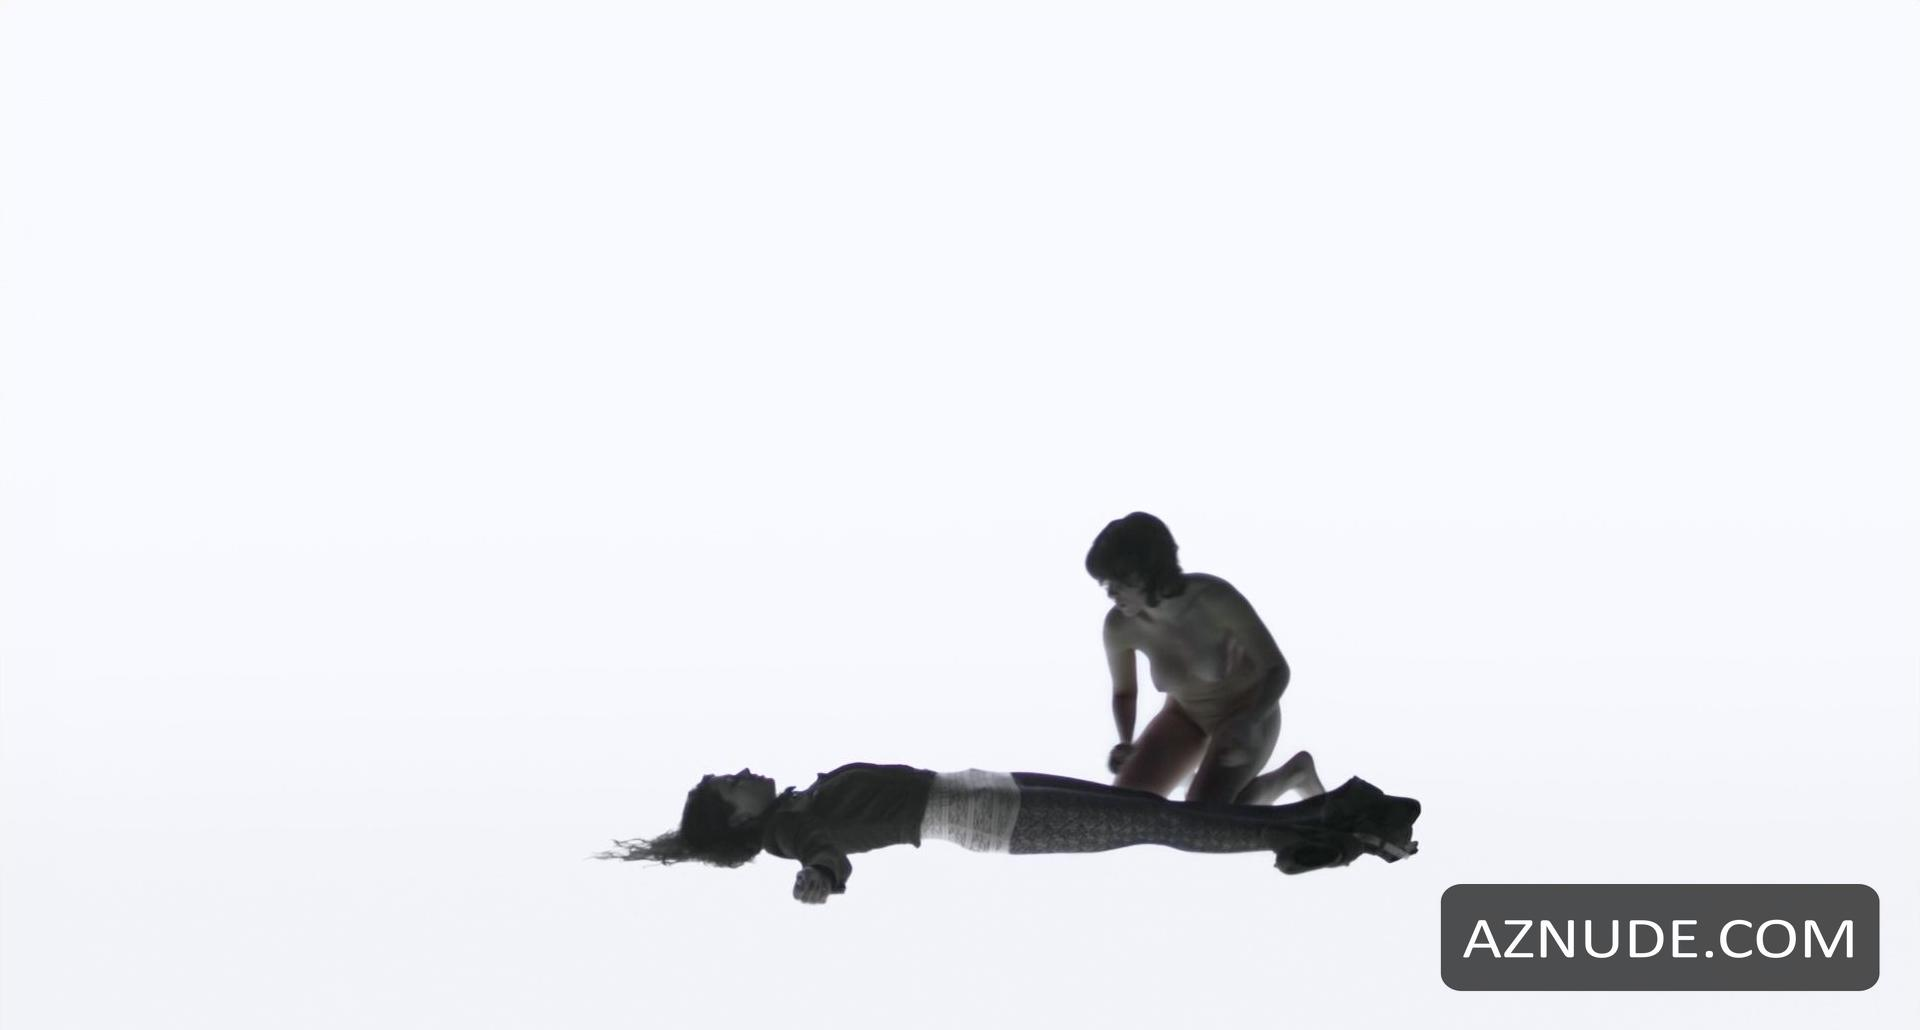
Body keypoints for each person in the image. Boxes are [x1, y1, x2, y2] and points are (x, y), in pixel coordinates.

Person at [600, 763, 1420, 904]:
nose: (741, 770)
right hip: (995, 817)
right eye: (728, 783)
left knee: (1155, 812)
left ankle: (1319, 829)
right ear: (739, 817)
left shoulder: (799, 798)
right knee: (1161, 822)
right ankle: (1333, 826)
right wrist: (822, 876)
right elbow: (823, 854)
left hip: (991, 791)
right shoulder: (788, 829)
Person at [1087, 512, 1321, 805]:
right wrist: (1126, 742)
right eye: (1106, 584)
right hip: (1183, 717)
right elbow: (1124, 693)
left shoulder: (1215, 599)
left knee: (1206, 817)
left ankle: (1293, 775)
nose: (1111, 593)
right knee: (1125, 807)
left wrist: (1251, 721)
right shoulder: (1120, 626)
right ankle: (1194, 777)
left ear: (1145, 573)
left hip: (1245, 713)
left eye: (1119, 583)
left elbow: (1276, 669)